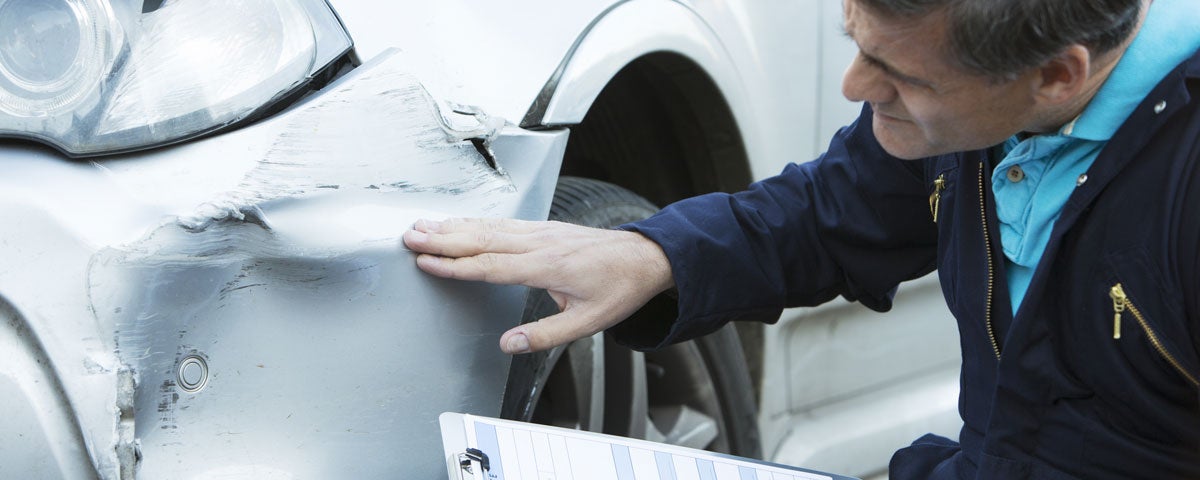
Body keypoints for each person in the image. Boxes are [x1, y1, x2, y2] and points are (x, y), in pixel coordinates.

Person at [404, 0, 1200, 477]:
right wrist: (654, 256)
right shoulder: (981, 99)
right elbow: (834, 210)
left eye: (904, 77)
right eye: (854, 39)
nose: (855, 87)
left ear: (1058, 76)